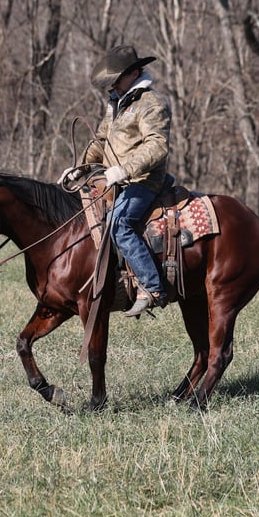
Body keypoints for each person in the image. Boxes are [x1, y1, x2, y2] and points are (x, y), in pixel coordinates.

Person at [63, 45, 171, 317]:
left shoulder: (151, 104)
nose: (112, 85)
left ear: (134, 73)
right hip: (116, 180)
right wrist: (80, 168)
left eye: (117, 78)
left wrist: (124, 170)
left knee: (120, 223)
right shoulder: (116, 103)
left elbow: (157, 145)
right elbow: (100, 140)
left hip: (144, 180)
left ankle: (152, 287)